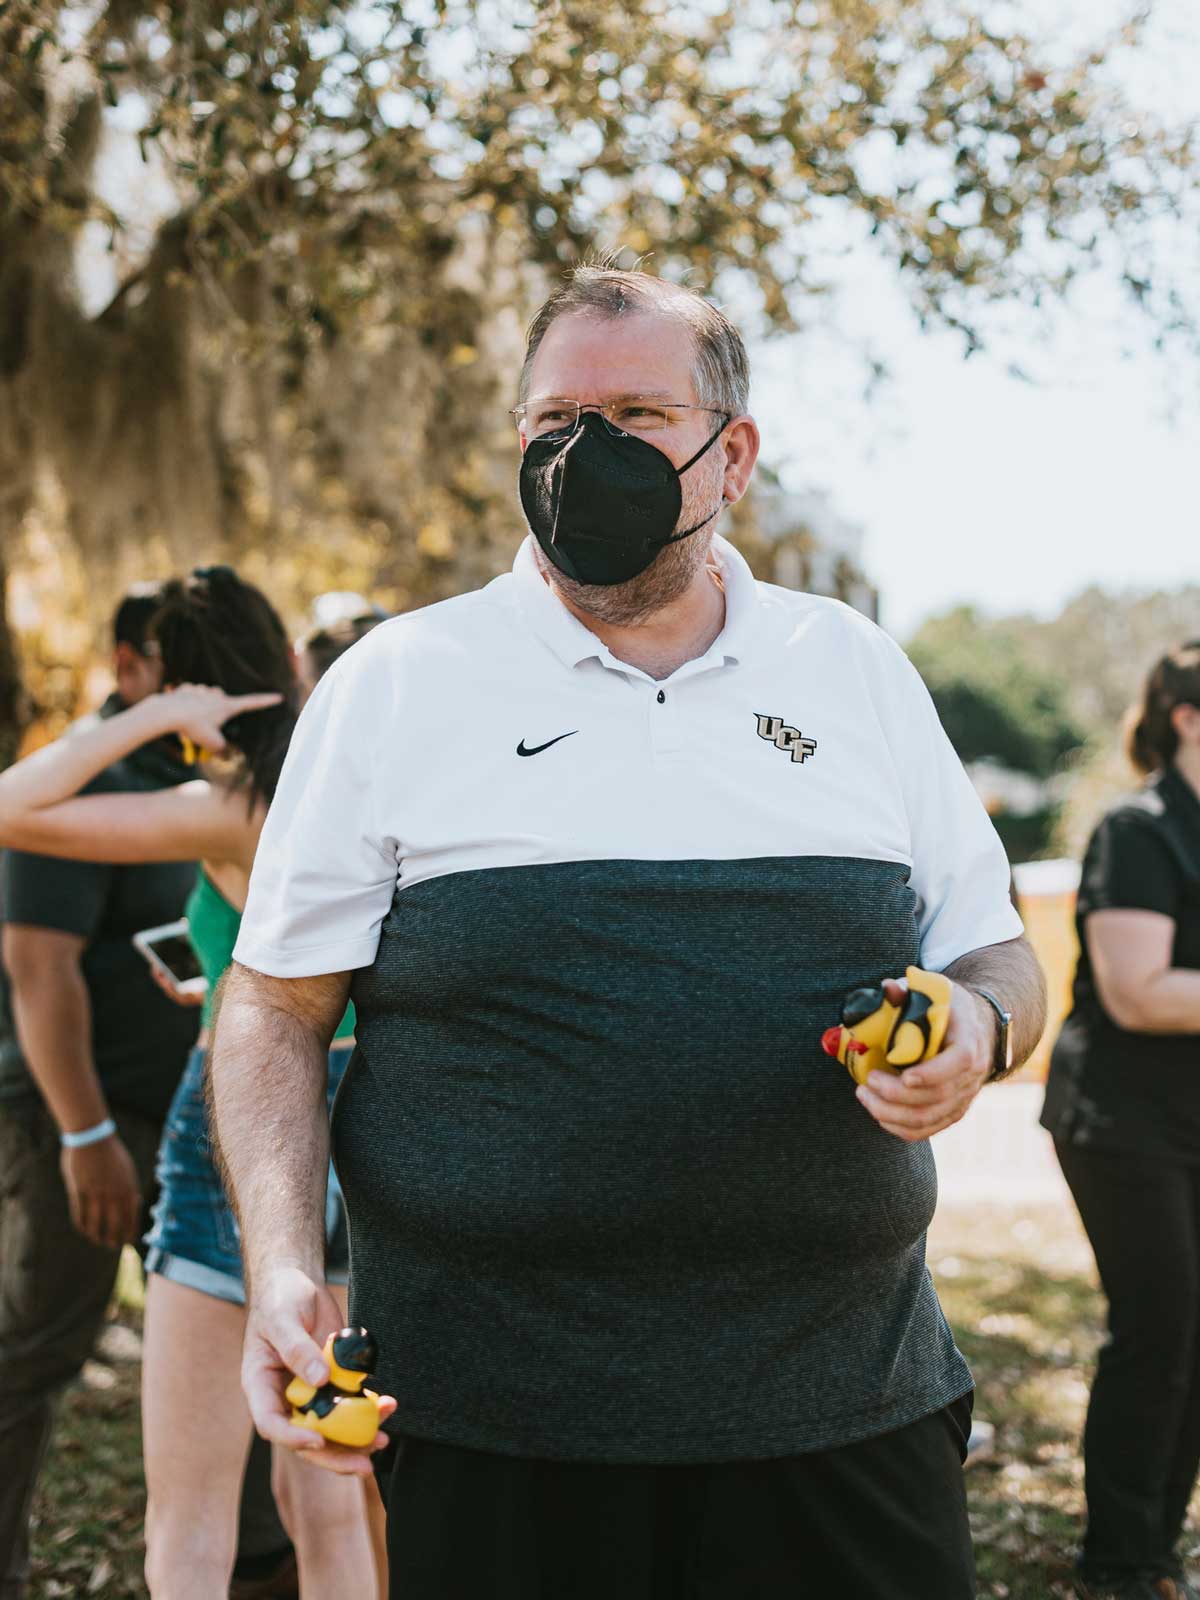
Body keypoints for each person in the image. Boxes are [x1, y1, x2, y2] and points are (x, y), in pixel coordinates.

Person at [211, 266, 1047, 1600]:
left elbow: (997, 949)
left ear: (734, 454)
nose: (584, 455)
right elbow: (272, 1007)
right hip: (497, 1428)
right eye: (553, 423)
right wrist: (282, 1269)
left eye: (638, 413)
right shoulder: (397, 686)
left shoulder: (856, 672)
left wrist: (981, 1030)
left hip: (843, 1407)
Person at [0, 567, 386, 1600]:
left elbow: (11, 807)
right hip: (365, 1127)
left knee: (191, 1514)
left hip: (238, 1134)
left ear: (191, 684)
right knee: (328, 1497)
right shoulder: (350, 780)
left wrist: (146, 719)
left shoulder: (225, 807)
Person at [1042, 642, 1200, 1600]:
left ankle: (1154, 1551)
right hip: (1121, 1123)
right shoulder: (1137, 832)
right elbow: (1140, 993)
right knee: (1160, 1329)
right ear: (1187, 715)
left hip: (1193, 1115)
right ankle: (1119, 1565)